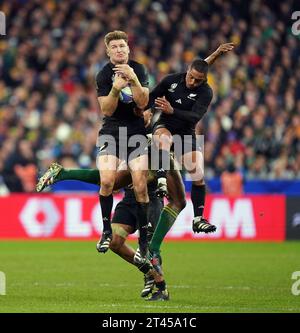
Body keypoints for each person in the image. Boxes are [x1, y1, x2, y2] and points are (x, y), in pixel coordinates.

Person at [146, 43, 235, 260]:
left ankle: (198, 218)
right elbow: (150, 97)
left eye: (198, 80)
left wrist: (172, 109)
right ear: (187, 70)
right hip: (165, 126)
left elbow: (195, 118)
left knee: (198, 173)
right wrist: (147, 110)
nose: (193, 82)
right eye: (191, 77)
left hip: (186, 133)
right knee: (163, 140)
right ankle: (160, 180)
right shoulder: (171, 80)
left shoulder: (206, 92)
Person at [95, 30, 150, 258]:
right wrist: (116, 87)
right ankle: (107, 230)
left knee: (140, 184)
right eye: (114, 46)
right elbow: (106, 110)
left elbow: (144, 102)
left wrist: (134, 79)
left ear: (128, 48)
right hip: (112, 133)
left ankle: (144, 239)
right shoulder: (103, 75)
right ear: (108, 51)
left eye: (122, 46)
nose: (119, 49)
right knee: (107, 181)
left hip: (137, 133)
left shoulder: (140, 69)